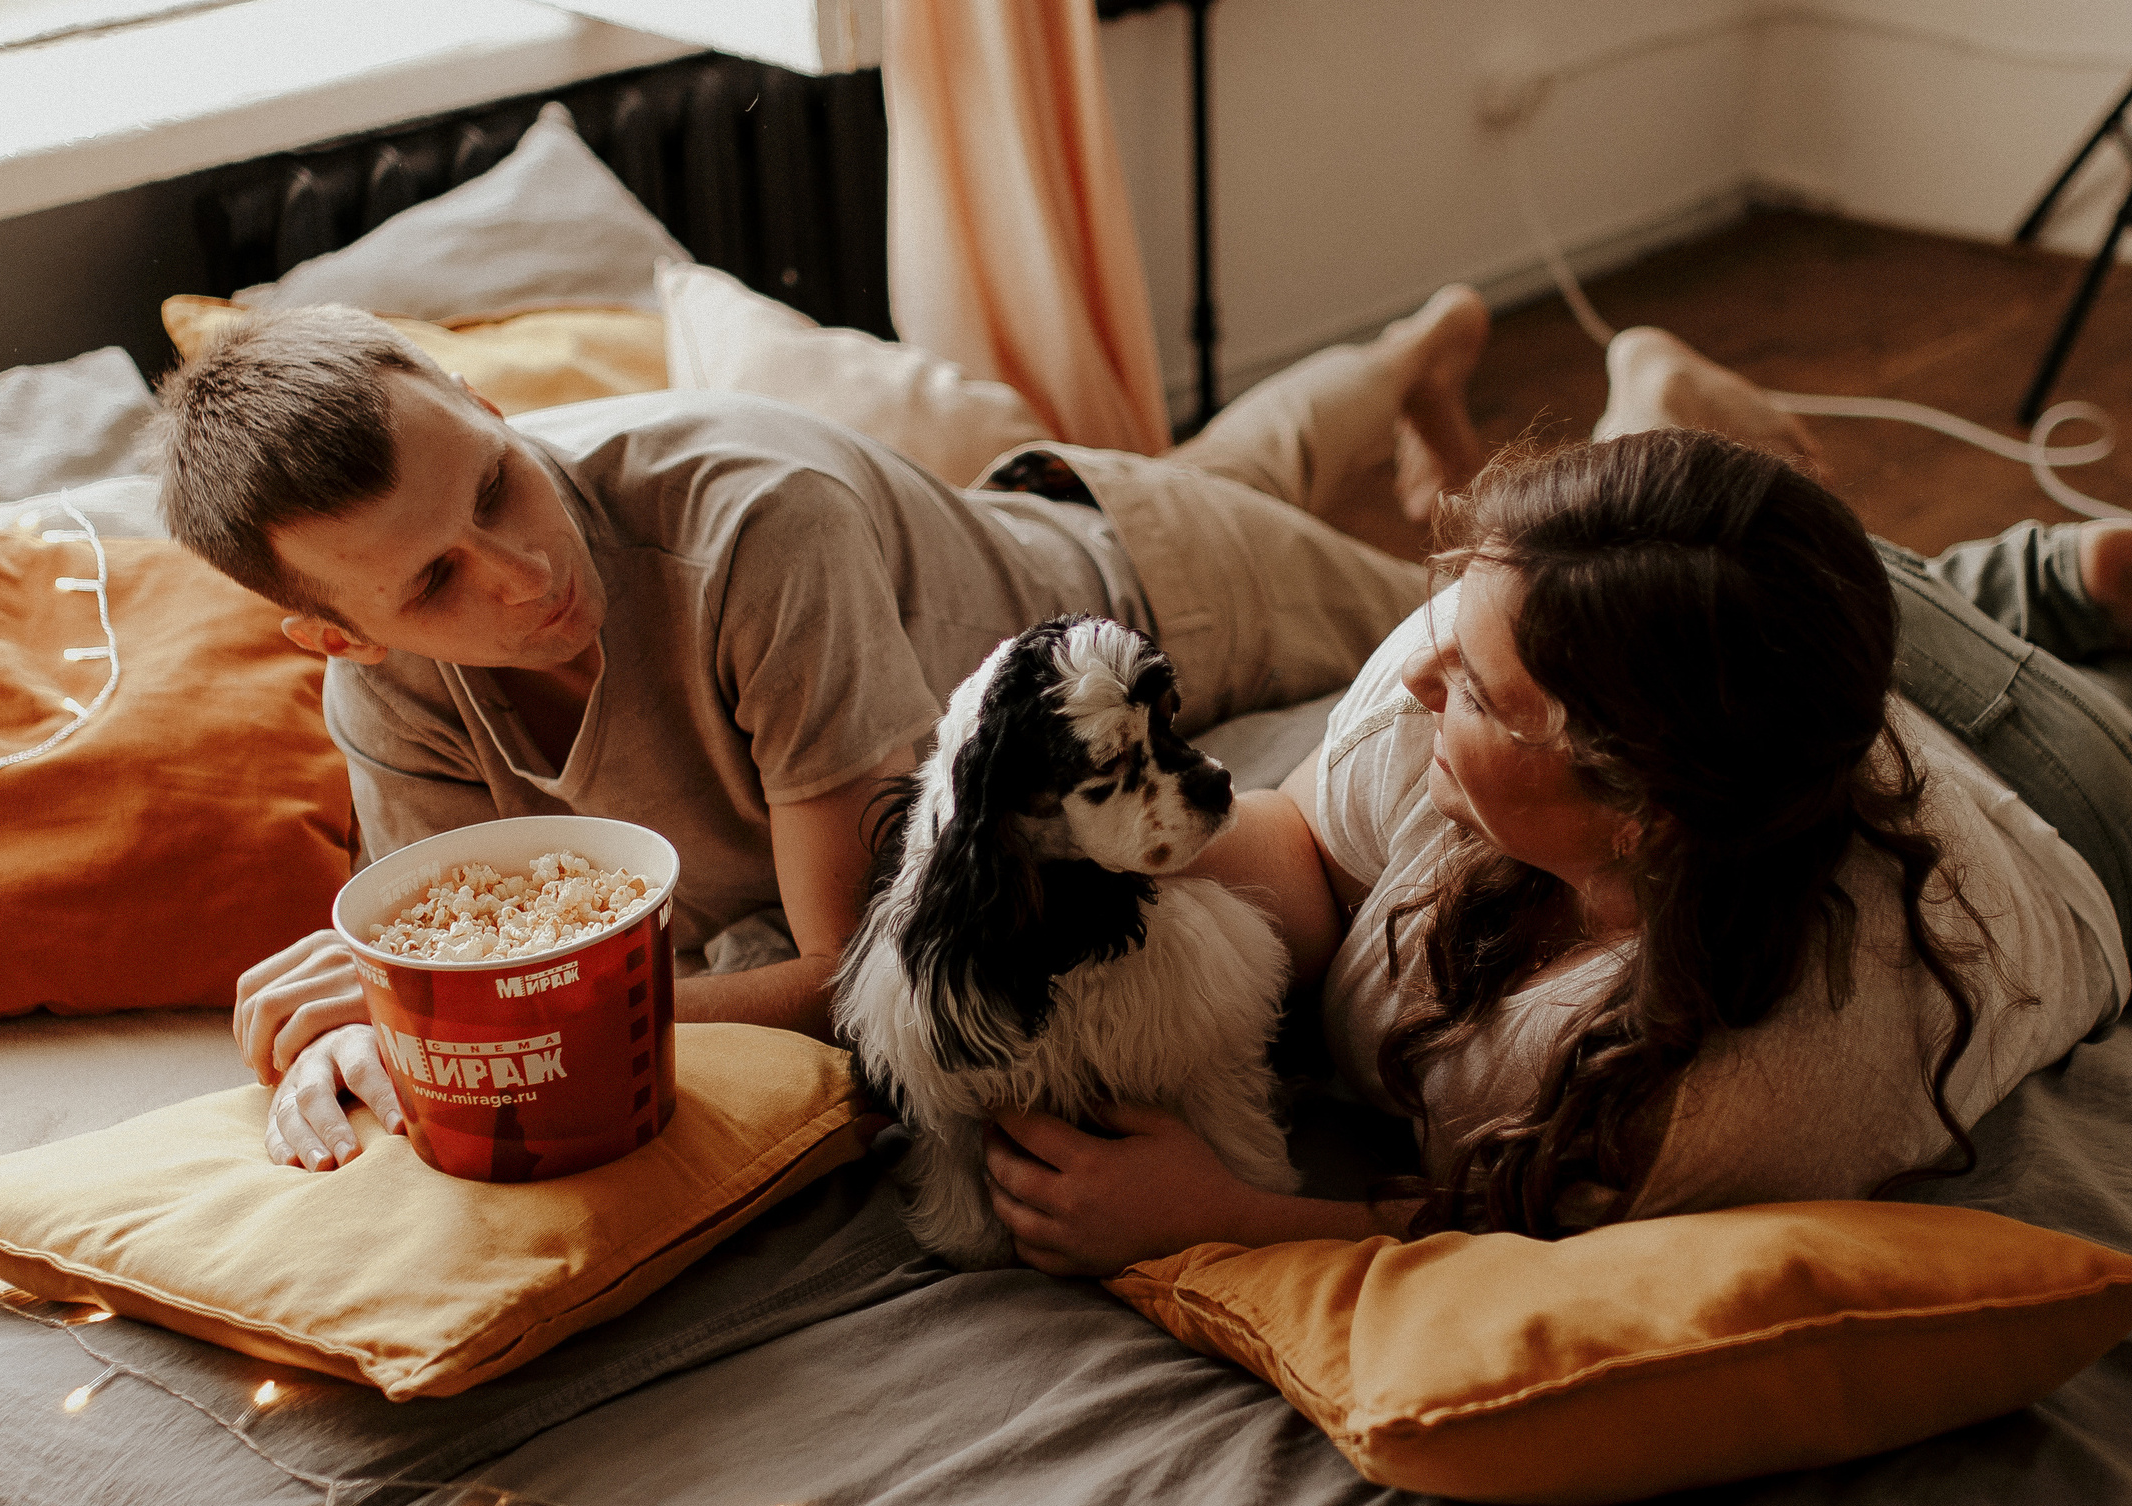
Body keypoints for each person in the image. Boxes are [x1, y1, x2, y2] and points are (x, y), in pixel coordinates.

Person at [978, 329, 2132, 1274]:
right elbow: (1306, 847)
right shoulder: (1468, 667)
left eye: (1484, 694)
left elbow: (1520, 1253)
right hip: (1826, 652)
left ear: (1641, 810)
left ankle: (2058, 596)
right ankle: (1990, 575)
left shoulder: (1764, 1079)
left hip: (2080, 819)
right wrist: (1082, 865)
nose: (1419, 671)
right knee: (1754, 585)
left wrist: (1221, 1217)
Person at [163, 289, 1495, 1170]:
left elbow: (856, 969)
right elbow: (494, 946)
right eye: (438, 580)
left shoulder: (757, 527)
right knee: (1243, 461)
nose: (524, 572)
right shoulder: (384, 697)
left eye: (498, 487)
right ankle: (1404, 362)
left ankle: (1645, 397)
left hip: (1144, 587)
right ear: (344, 638)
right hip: (966, 556)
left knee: (1508, 604)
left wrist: (450, 1032)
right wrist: (391, 1021)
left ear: (493, 411)